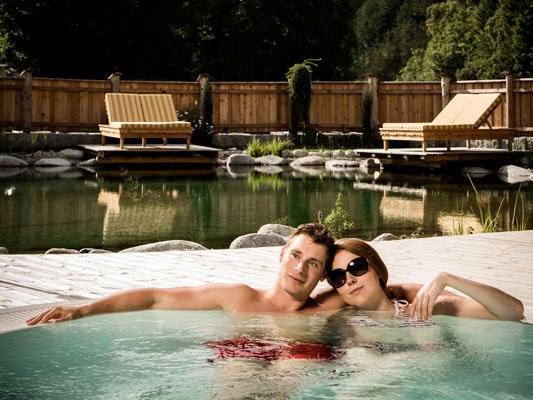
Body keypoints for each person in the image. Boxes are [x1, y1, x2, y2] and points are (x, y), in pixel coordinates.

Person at [26, 223, 336, 325]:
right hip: (240, 369)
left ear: (324, 274)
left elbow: (363, 284)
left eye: (313, 263)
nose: (300, 268)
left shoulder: (324, 308)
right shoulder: (238, 297)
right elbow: (154, 298)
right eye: (296, 256)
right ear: (281, 255)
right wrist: (82, 310)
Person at [314, 238, 524, 321]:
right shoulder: (338, 324)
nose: (349, 279)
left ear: (376, 269)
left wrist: (446, 278)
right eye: (338, 277)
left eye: (356, 267)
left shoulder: (423, 310)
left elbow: (513, 311)